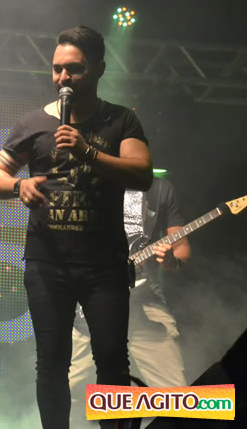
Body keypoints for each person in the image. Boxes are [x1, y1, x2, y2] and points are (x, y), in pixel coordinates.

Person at [0, 25, 153, 429]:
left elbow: (142, 173)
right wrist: (19, 186)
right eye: (57, 69)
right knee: (51, 362)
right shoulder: (34, 123)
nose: (63, 78)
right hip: (48, 263)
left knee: (112, 360)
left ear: (99, 69)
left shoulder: (120, 119)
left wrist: (87, 151)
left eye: (74, 69)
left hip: (104, 266)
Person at [69, 176, 191, 427]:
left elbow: (181, 249)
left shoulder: (159, 188)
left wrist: (171, 261)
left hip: (145, 302)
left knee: (176, 398)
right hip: (89, 305)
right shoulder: (81, 181)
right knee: (64, 392)